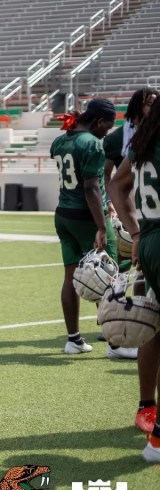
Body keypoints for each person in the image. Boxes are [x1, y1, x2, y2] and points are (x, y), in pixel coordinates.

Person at [104, 88, 159, 431]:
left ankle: (146, 407)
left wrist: (135, 232)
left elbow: (115, 185)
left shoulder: (143, 142)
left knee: (154, 327)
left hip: (150, 239)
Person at [51, 99, 121, 356]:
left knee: (70, 278)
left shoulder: (61, 140)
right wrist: (101, 226)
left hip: (63, 214)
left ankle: (74, 339)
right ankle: (116, 343)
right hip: (86, 217)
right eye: (108, 126)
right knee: (110, 278)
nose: (107, 132)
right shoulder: (91, 143)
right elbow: (91, 187)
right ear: (98, 121)